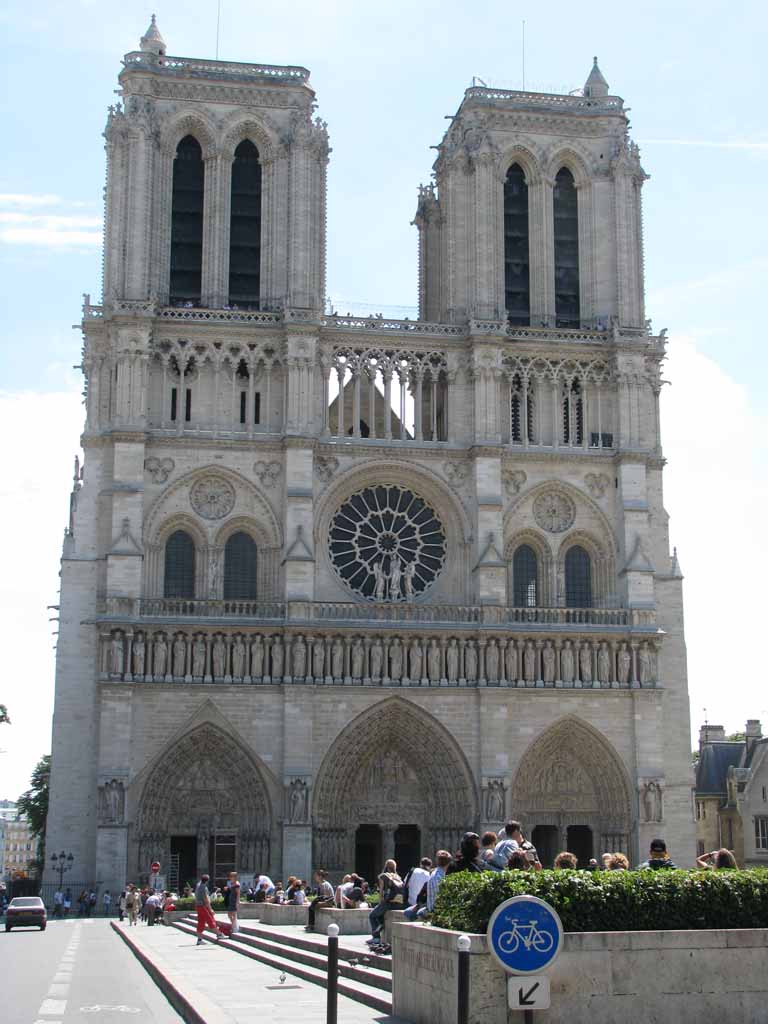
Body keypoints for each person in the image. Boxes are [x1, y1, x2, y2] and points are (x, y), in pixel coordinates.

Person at [367, 859, 405, 948]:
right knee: (380, 915)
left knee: (372, 915)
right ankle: (380, 926)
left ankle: (376, 937)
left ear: (386, 867)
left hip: (388, 903)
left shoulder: (383, 876)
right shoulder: (398, 877)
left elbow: (381, 893)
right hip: (399, 903)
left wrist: (380, 903)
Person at [194, 873, 221, 945]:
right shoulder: (204, 888)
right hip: (203, 906)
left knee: (201, 922)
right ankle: (219, 934)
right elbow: (206, 900)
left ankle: (199, 939)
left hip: (198, 906)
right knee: (210, 920)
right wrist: (211, 909)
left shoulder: (198, 886)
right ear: (207, 881)